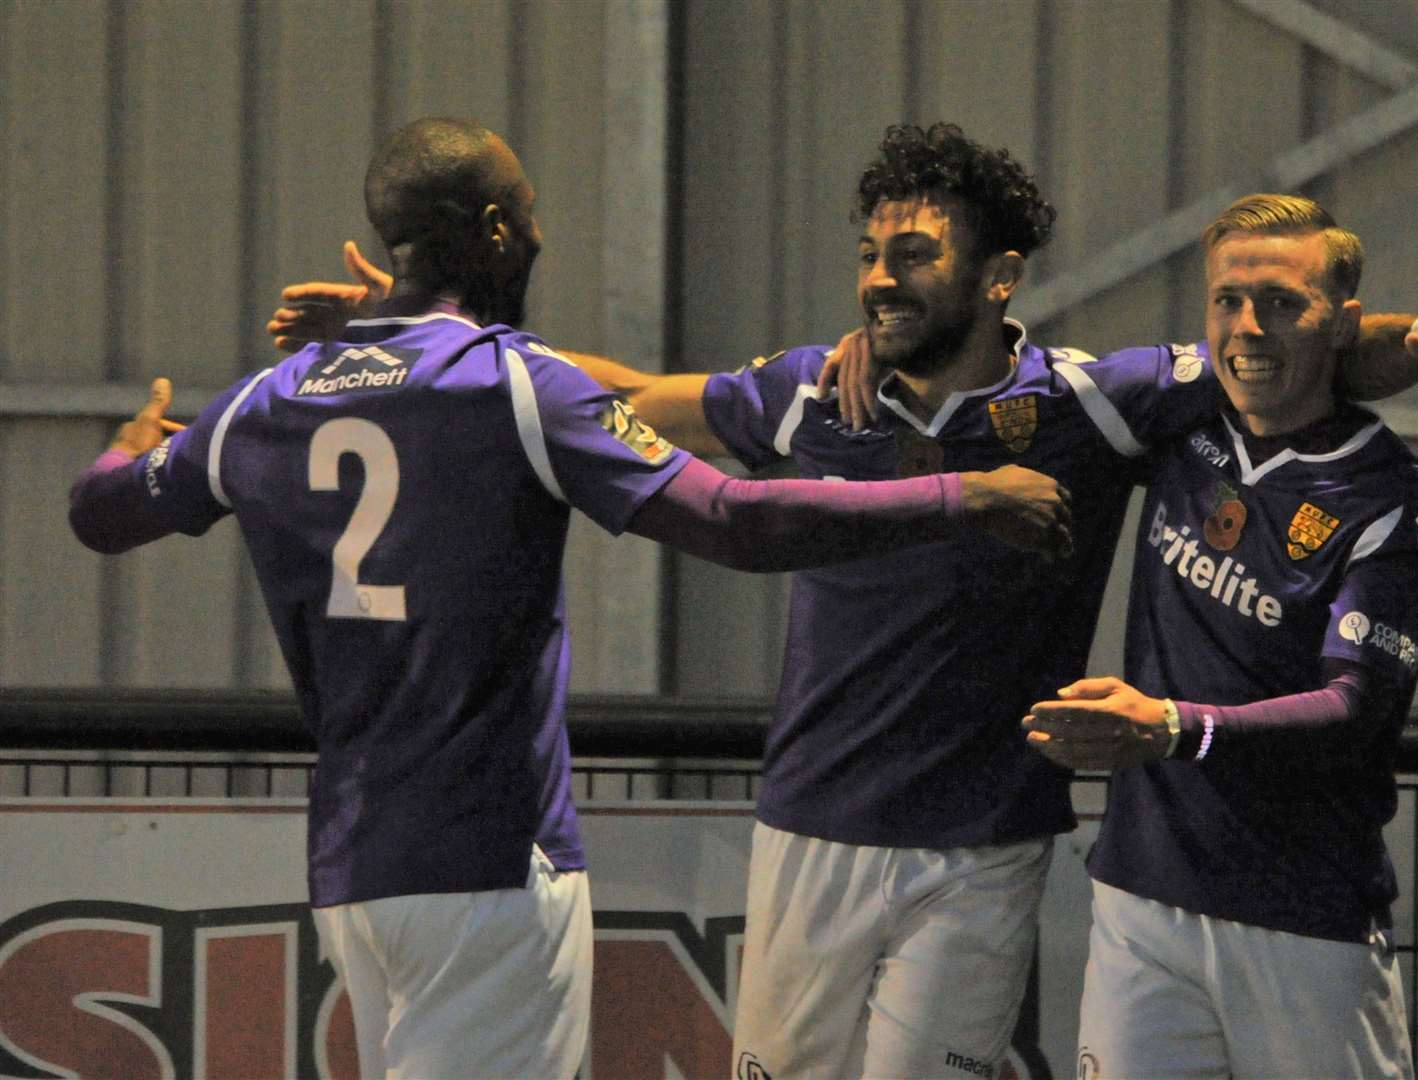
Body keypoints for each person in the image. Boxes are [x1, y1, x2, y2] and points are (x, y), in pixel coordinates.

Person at [268, 124, 1418, 1078]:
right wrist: (412, 329)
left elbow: (1285, 351)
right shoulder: (815, 391)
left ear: (1001, 275)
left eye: (913, 255)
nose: (880, 278)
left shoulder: (1095, 399)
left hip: (983, 848)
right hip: (810, 829)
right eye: (870, 254)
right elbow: (633, 393)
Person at [67, 117, 1075, 1080]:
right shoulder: (516, 384)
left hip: (351, 869)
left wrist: (129, 441)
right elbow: (730, 518)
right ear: (498, 231)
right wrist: (959, 493)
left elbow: (101, 513)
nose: (543, 231)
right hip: (491, 863)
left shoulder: (263, 400)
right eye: (531, 209)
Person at [1023, 194, 1418, 1078]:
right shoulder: (1179, 425)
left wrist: (1176, 726)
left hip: (1304, 923)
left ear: (1343, 325)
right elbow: (1003, 387)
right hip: (1139, 902)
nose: (1248, 327)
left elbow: (1354, 709)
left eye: (1281, 304)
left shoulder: (1402, 504)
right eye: (1228, 300)